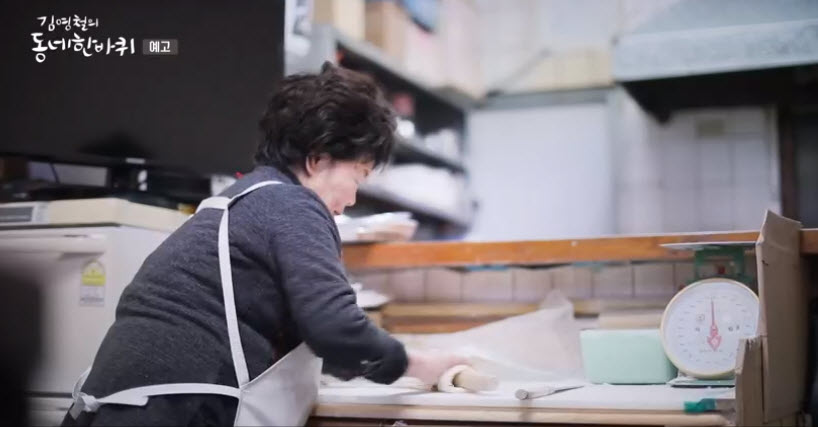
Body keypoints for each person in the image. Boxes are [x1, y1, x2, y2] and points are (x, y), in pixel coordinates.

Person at [63, 63, 466, 426]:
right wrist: (416, 365)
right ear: (318, 159)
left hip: (117, 403)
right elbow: (336, 328)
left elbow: (319, 337)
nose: (351, 199)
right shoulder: (293, 205)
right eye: (357, 176)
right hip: (175, 408)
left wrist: (367, 360)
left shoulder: (242, 199)